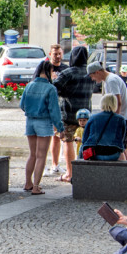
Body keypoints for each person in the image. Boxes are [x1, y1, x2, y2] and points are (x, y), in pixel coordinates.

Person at [20, 61, 64, 195]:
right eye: (52, 71)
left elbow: (22, 105)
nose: (54, 74)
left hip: (30, 122)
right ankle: (36, 187)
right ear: (48, 72)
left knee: (32, 154)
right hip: (44, 123)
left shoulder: (29, 85)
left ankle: (28, 182)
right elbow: (54, 111)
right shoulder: (50, 88)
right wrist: (60, 128)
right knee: (41, 156)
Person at [53, 46, 95, 182]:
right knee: (87, 142)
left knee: (68, 141)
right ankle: (85, 172)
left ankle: (69, 173)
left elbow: (54, 88)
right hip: (86, 112)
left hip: (69, 113)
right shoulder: (90, 73)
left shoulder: (68, 72)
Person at [87, 61, 127, 160]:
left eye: (92, 76)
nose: (93, 79)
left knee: (120, 147)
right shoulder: (109, 80)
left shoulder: (111, 81)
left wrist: (114, 120)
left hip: (123, 117)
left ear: (97, 72)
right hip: (124, 116)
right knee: (122, 147)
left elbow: (118, 102)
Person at [35, 44, 66, 175]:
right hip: (45, 106)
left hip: (60, 105)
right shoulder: (44, 67)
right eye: (55, 54)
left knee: (56, 136)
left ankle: (55, 164)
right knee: (43, 136)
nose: (58, 56)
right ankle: (41, 165)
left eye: (59, 53)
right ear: (50, 54)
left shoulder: (65, 68)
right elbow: (35, 82)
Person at [81, 94, 127, 161]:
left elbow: (85, 138)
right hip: (113, 153)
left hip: (94, 153)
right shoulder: (120, 119)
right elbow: (122, 138)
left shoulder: (93, 118)